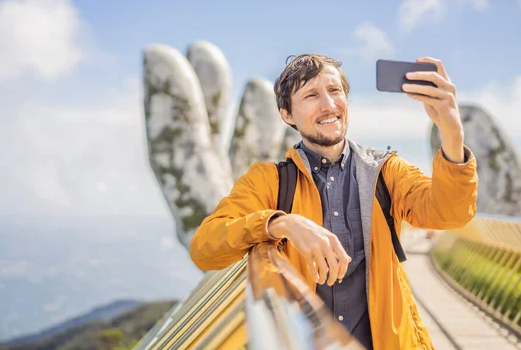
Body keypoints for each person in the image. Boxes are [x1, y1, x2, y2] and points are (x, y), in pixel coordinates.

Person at [189, 54, 478, 350]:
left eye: (335, 91)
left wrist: (451, 132)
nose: (328, 105)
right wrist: (280, 223)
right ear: (287, 114)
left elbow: (449, 214)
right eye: (311, 95)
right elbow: (205, 249)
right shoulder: (268, 181)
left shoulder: (385, 171)